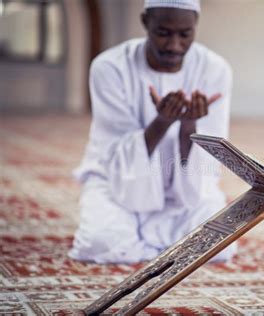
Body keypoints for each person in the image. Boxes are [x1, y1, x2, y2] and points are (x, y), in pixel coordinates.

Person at [69, 0, 236, 264]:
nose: (174, 45)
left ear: (195, 26)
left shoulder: (214, 69)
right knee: (100, 244)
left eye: (184, 34)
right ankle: (166, 246)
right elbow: (115, 153)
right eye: (163, 33)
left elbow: (208, 159)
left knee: (220, 245)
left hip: (183, 193)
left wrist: (188, 125)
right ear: (146, 22)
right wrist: (162, 122)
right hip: (116, 184)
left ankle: (144, 244)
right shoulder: (109, 67)